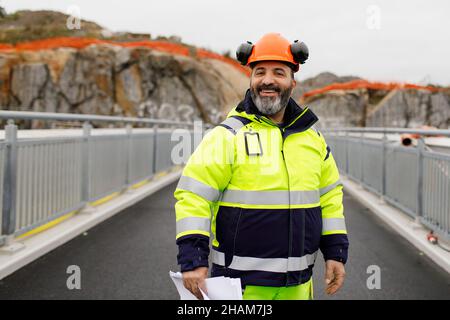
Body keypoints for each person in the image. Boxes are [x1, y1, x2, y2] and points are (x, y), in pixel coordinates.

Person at [174, 33, 349, 300]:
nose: (268, 80)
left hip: (299, 287)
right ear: (251, 80)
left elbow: (329, 197)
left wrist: (335, 251)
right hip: (240, 289)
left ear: (292, 80)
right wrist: (193, 258)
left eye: (279, 72)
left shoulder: (312, 139)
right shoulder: (226, 136)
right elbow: (194, 196)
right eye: (259, 72)